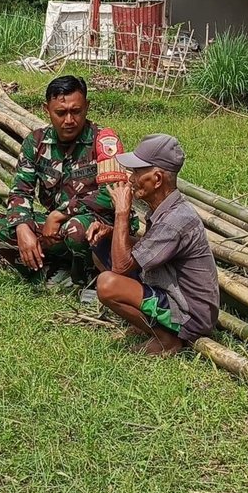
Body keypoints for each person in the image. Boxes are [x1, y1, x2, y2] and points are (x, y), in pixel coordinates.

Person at [0, 75, 128, 283]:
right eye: (61, 113)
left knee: (76, 228)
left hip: (99, 227)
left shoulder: (104, 141)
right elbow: (20, 191)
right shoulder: (36, 142)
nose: (69, 120)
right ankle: (49, 273)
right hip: (57, 229)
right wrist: (22, 227)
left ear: (87, 107)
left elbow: (112, 194)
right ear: (46, 110)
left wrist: (60, 214)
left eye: (76, 111)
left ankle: (88, 280)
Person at [87, 133, 218, 356]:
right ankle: (146, 324)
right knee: (102, 247)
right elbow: (147, 249)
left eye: (137, 172)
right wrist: (110, 232)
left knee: (108, 284)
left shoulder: (176, 220)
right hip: (169, 291)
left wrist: (121, 212)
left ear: (157, 179)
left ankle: (167, 339)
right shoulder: (164, 209)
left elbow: (121, 267)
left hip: (190, 315)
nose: (131, 178)